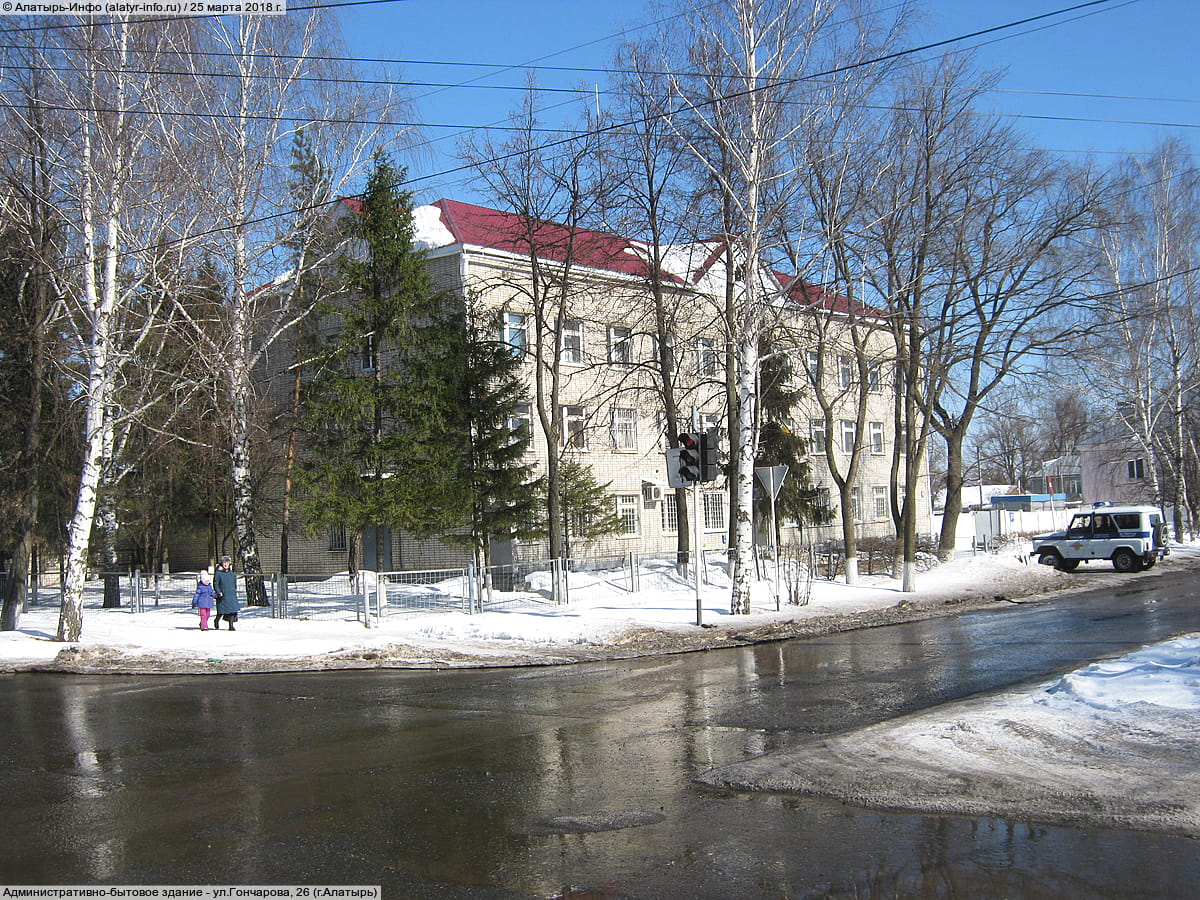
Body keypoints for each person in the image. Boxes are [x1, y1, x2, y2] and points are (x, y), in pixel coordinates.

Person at [212, 555, 241, 631]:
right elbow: (215, 583)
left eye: (227, 563)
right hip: (223, 595)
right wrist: (218, 592)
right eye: (224, 563)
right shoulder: (218, 573)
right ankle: (216, 621)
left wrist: (235, 590)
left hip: (231, 594)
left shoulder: (231, 573)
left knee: (232, 611)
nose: (226, 564)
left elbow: (234, 582)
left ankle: (231, 625)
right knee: (221, 611)